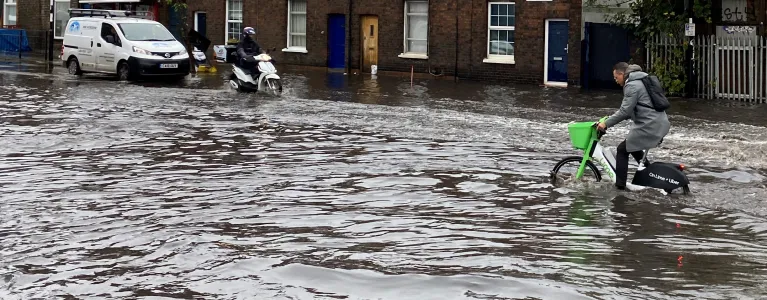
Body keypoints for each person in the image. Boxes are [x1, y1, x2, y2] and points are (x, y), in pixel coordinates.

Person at [597, 62, 670, 190]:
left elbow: (625, 111)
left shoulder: (631, 85)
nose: (615, 81)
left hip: (650, 124)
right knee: (633, 146)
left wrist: (606, 123)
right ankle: (649, 175)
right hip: (657, 122)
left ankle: (620, 186)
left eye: (615, 77)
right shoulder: (641, 80)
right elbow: (634, 110)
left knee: (622, 150)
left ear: (621, 74)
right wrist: (610, 119)